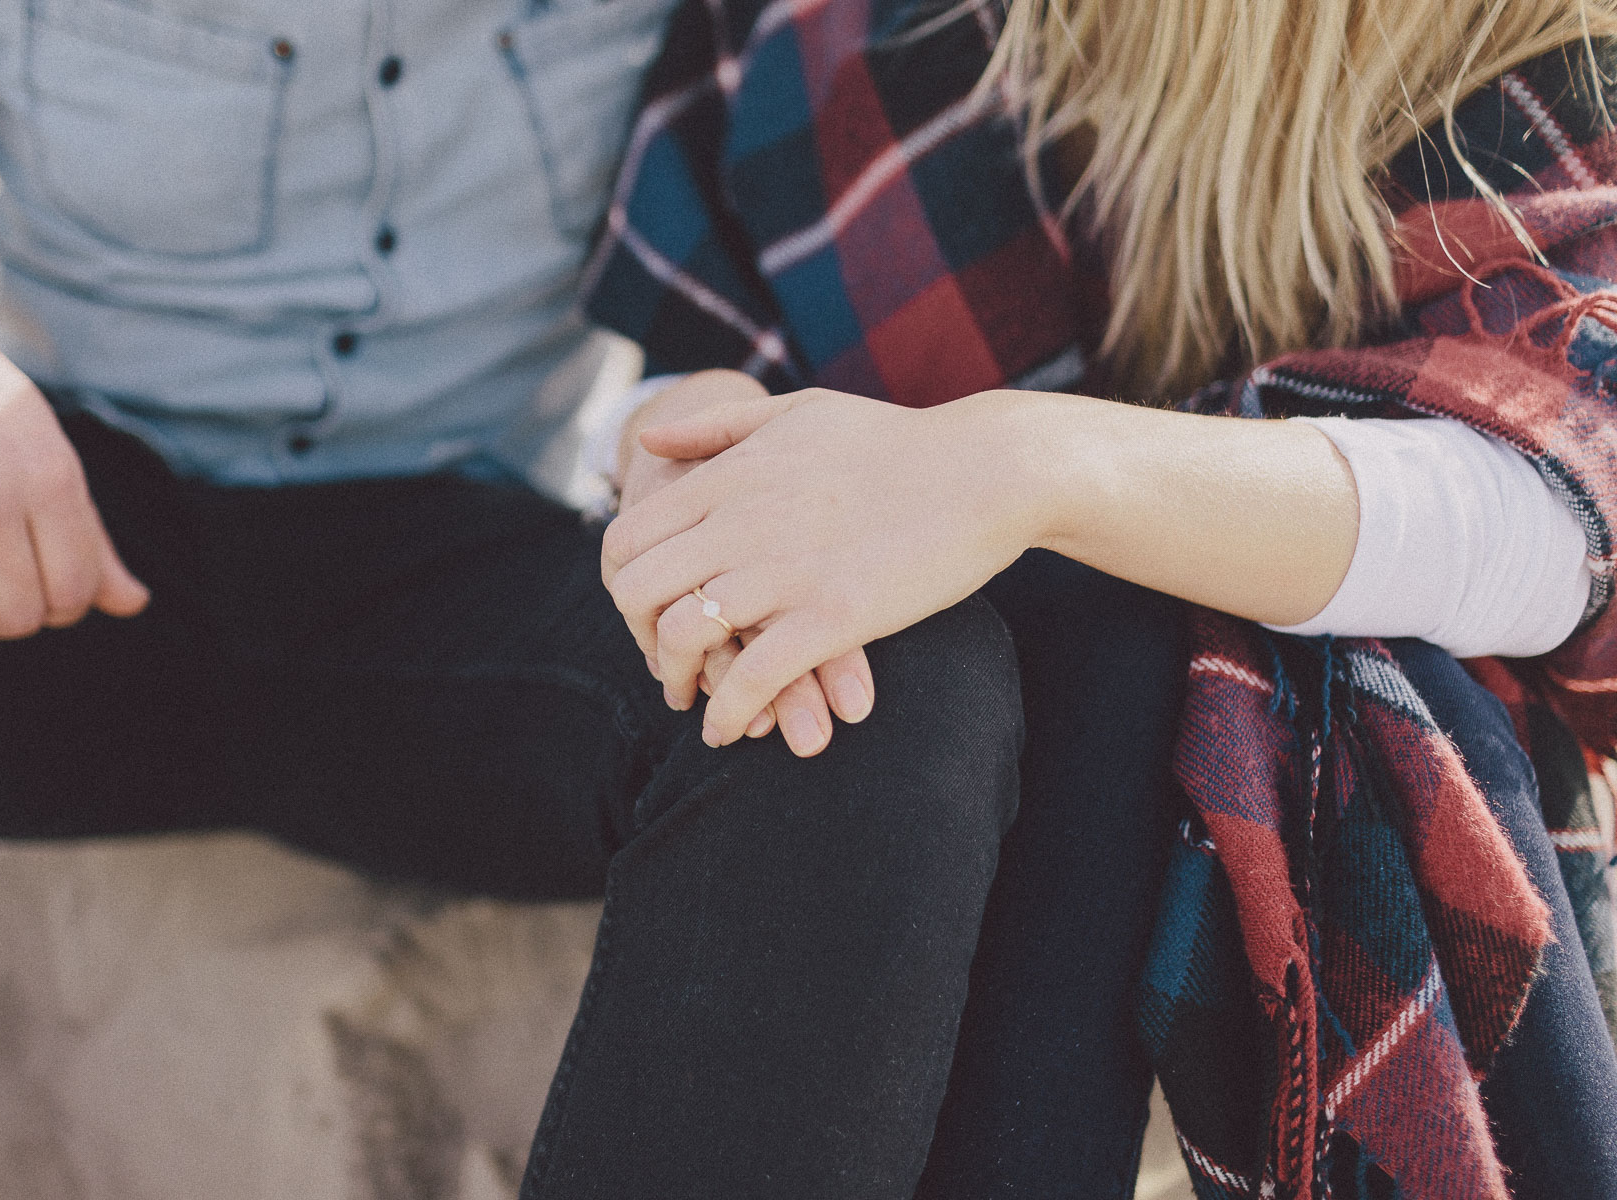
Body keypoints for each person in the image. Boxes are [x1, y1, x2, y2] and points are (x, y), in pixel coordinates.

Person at [583, 0, 1617, 1196]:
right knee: (985, 677)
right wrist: (695, 453)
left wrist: (1033, 469)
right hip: (900, 689)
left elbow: (1562, 506)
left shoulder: (1510, 38)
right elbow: (682, 350)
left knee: (1128, 650)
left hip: (1247, 694)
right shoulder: (822, 30)